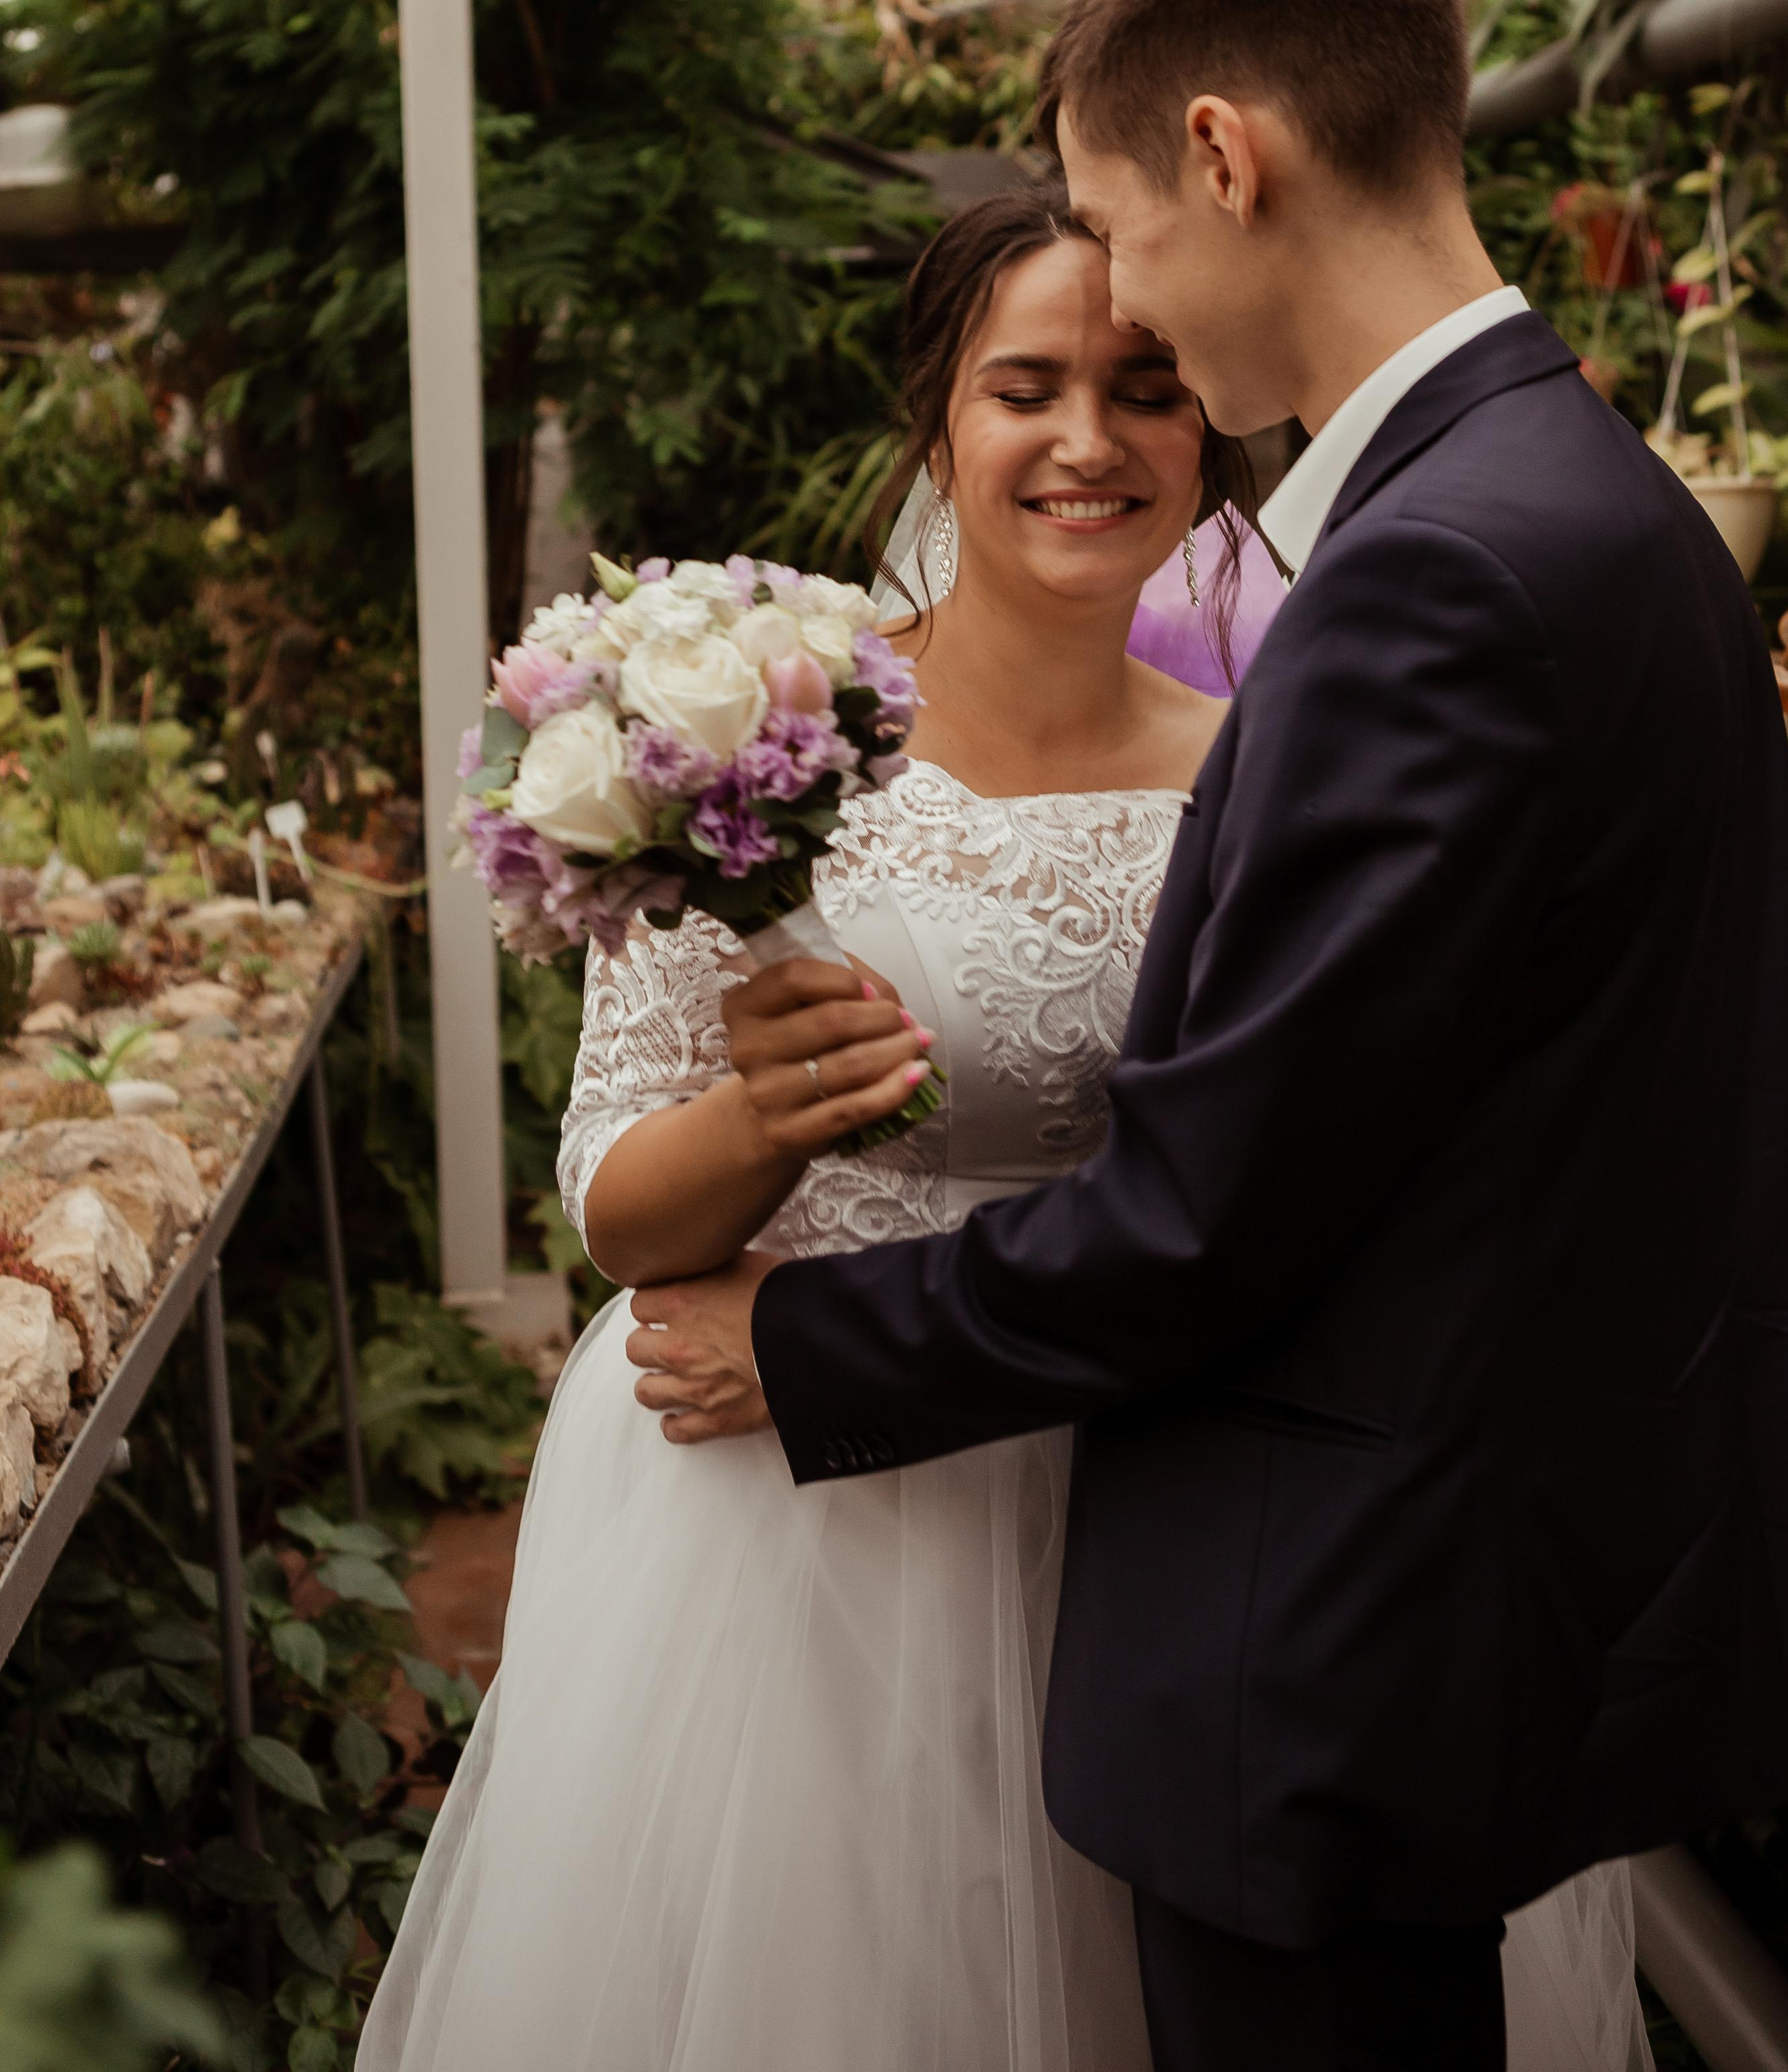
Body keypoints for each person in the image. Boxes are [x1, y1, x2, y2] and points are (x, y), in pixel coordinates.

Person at [628, 0, 1788, 2072]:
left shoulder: (1434, 575)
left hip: (1339, 1632)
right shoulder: (1603, 504)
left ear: (1222, 153)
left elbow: (1210, 1209)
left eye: (1132, 237)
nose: (1144, 320)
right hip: (1499, 1573)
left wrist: (801, 1337)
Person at [358, 174, 1649, 2072]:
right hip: (794, 1540)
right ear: (938, 423)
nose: (1088, 441)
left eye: (1145, 389)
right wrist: (769, 1123)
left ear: (1207, 423)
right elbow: (621, 1220)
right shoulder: (767, 749)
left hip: (1166, 1516)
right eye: (1024, 389)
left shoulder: (1271, 772)